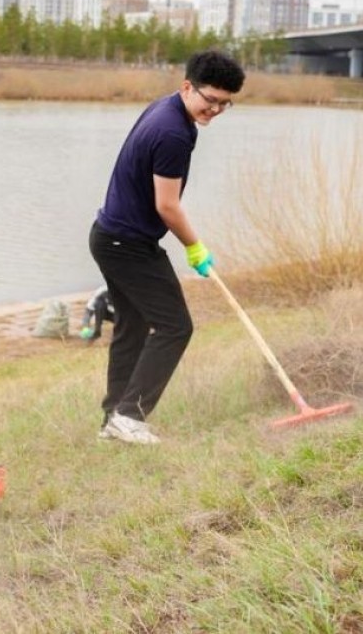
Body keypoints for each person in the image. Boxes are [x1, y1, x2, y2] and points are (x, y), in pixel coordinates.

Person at [88, 49, 245, 445]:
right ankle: (129, 416)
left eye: (225, 104)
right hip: (127, 244)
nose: (216, 110)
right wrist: (195, 247)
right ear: (188, 87)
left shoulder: (170, 109)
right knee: (176, 326)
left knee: (133, 326)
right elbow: (167, 206)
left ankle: (114, 420)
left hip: (110, 237)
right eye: (211, 100)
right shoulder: (173, 132)